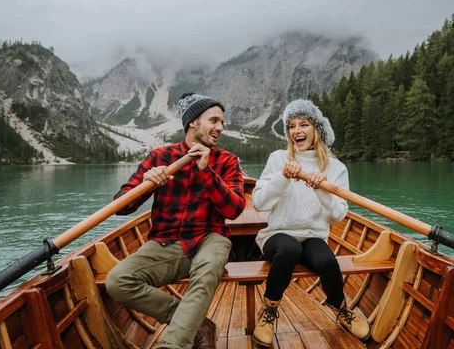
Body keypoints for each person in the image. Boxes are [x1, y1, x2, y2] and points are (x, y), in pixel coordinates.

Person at [105, 92, 246, 349]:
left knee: (207, 271)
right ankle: (195, 323)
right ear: (193, 122)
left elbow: (234, 209)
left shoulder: (227, 160)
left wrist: (207, 172)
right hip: (165, 242)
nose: (220, 128)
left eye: (222, 122)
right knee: (117, 282)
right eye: (214, 121)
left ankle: (172, 345)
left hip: (210, 239)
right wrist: (148, 184)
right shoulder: (160, 158)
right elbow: (120, 206)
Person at [251, 99, 370, 347]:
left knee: (327, 261)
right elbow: (259, 203)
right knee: (290, 249)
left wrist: (322, 190)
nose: (296, 131)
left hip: (313, 235)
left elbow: (338, 216)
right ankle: (269, 311)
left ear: (317, 130)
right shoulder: (278, 159)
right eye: (292, 126)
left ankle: (341, 310)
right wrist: (283, 176)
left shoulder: (336, 168)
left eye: (303, 124)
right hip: (277, 235)